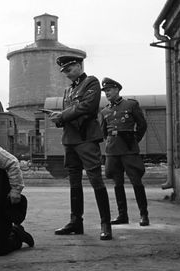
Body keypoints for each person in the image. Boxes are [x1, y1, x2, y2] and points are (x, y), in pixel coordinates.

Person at [48, 55, 112, 240]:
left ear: (78, 65)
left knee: (95, 180)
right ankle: (76, 222)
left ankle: (105, 224)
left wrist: (62, 116)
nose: (66, 74)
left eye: (69, 69)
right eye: (64, 71)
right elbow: (68, 115)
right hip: (70, 140)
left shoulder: (91, 82)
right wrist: (57, 117)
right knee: (74, 181)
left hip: (86, 139)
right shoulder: (68, 91)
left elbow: (87, 107)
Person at [99, 77, 149, 226]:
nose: (107, 93)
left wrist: (133, 140)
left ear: (117, 90)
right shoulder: (105, 111)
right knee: (117, 183)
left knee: (136, 182)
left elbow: (142, 125)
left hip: (129, 150)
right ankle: (122, 215)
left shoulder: (131, 105)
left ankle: (144, 215)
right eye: (105, 91)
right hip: (113, 151)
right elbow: (104, 132)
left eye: (109, 90)